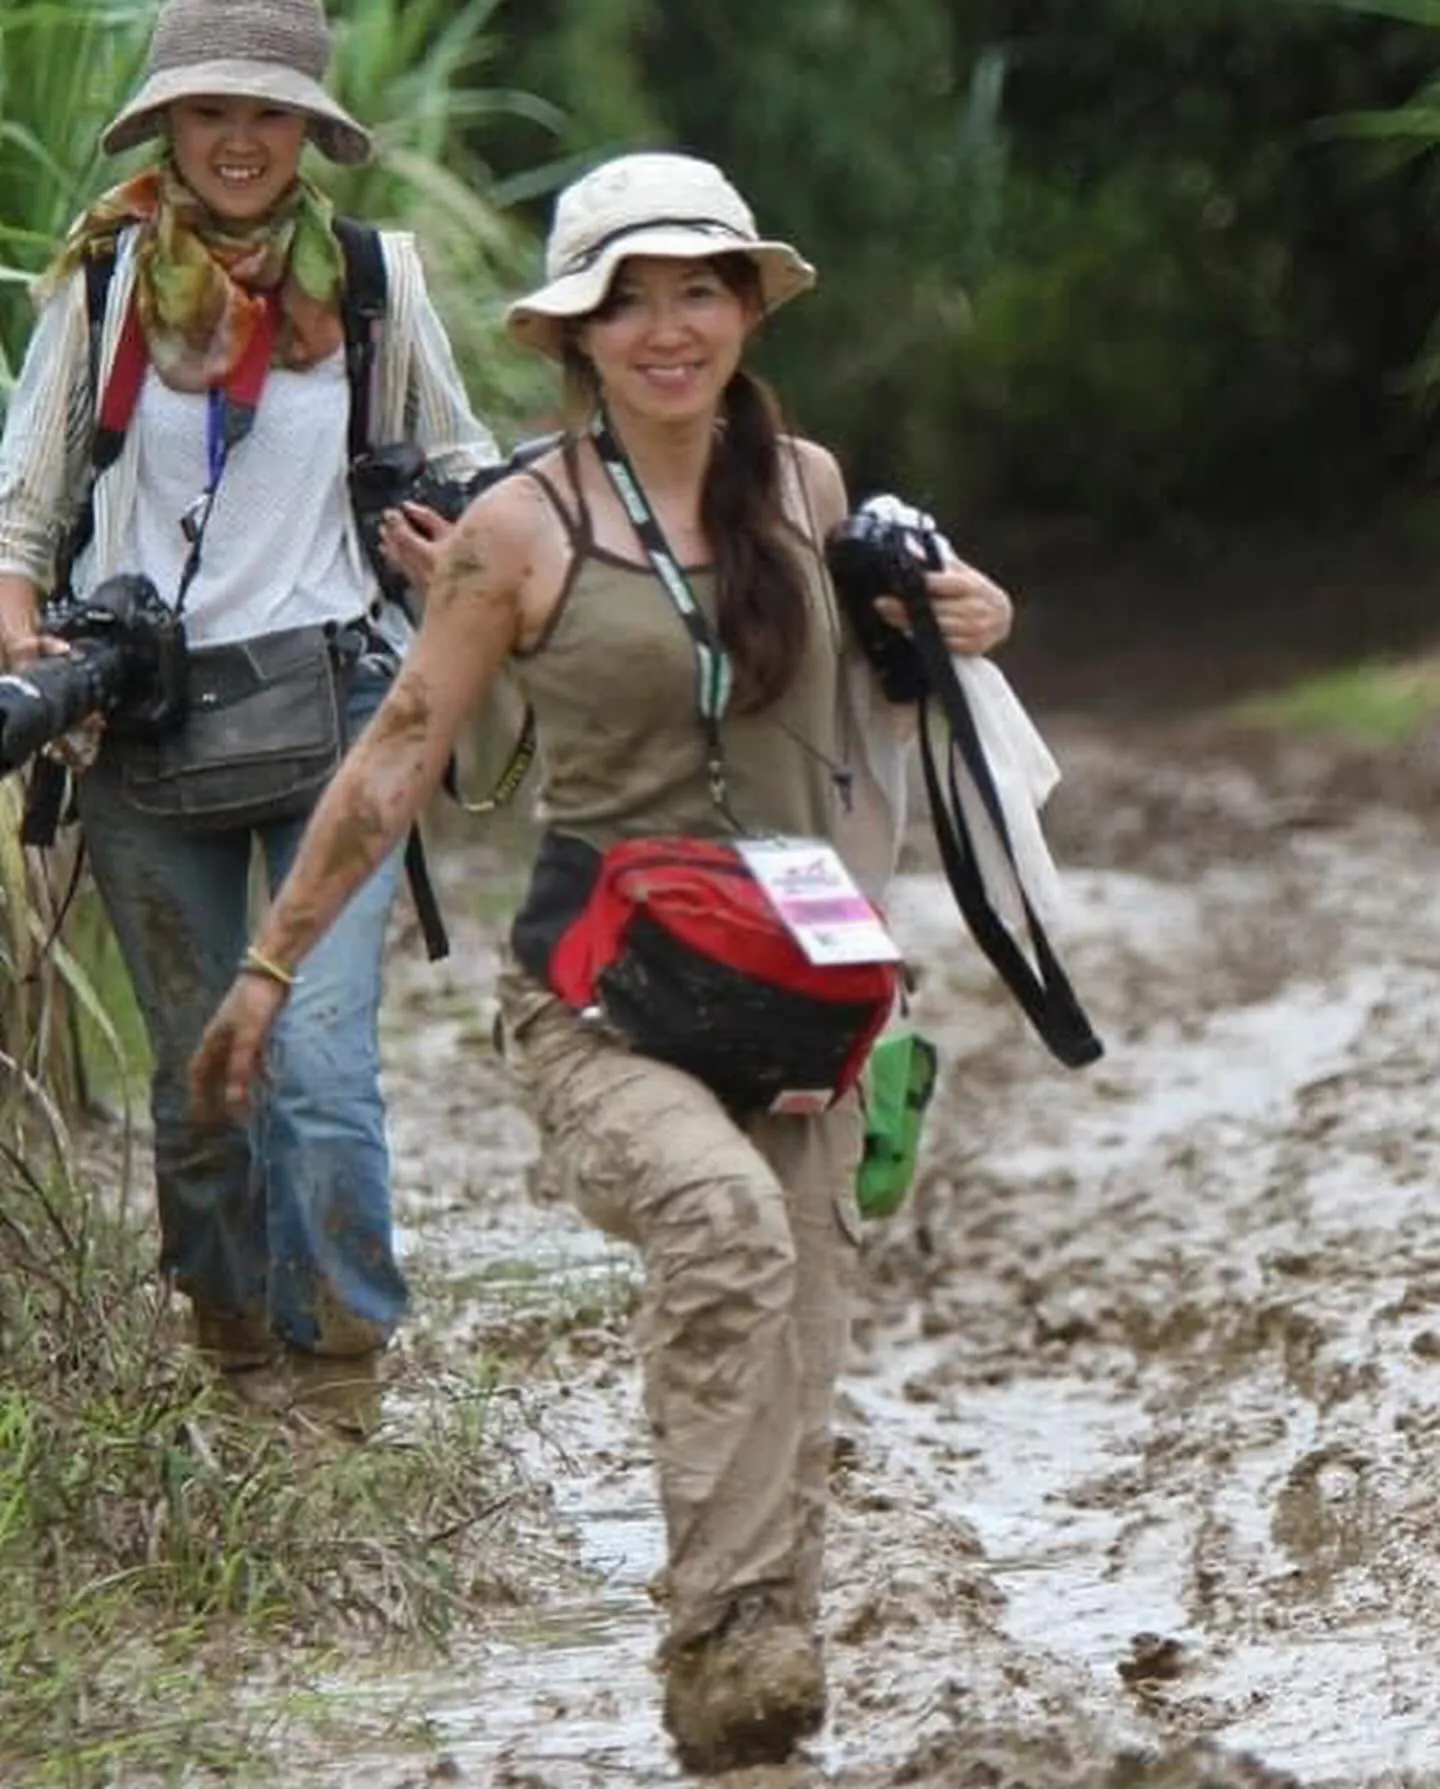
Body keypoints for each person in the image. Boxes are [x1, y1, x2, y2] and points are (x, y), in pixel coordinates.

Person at [188, 150, 1012, 1770]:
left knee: (799, 1334)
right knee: (717, 1231)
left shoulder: (812, 490)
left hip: (799, 995)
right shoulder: (520, 527)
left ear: (745, 308)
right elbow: (403, 748)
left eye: (696, 288)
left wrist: (961, 616)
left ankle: (766, 1666)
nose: (666, 328)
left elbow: (880, 707)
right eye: (625, 301)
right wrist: (271, 968)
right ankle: (717, 1637)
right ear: (575, 339)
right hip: (606, 1001)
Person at [0, 0, 498, 1376]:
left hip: (337, 708)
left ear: (307, 133)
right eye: (210, 111)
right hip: (140, 735)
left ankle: (340, 1376)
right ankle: (232, 1350)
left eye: (266, 113)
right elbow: (22, 514)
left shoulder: (374, 282)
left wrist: (453, 544)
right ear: (166, 124)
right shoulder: (99, 288)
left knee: (323, 1071)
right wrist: (28, 644)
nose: (236, 140)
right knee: (199, 1086)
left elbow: (464, 467)